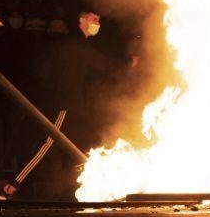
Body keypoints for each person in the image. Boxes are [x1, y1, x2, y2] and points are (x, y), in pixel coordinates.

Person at [14, 10, 137, 200]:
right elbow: (105, 66)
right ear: (82, 20)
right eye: (94, 19)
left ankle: (73, 192)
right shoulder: (75, 46)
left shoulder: (75, 45)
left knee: (80, 151)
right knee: (47, 145)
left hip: (76, 109)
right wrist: (129, 63)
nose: (98, 23)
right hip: (63, 106)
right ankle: (13, 185)